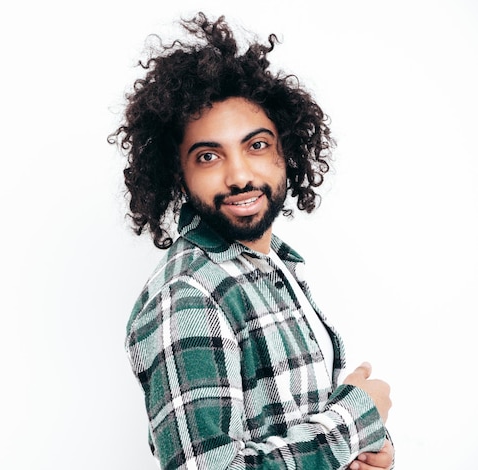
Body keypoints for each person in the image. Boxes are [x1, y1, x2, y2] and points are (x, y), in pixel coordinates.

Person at [109, 12, 394, 470]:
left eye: (257, 145)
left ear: (288, 151)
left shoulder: (277, 265)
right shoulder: (189, 296)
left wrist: (367, 449)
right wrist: (356, 420)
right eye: (208, 156)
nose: (239, 175)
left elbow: (299, 424)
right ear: (179, 177)